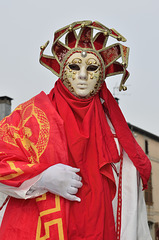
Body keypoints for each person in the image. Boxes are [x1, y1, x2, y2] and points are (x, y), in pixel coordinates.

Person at [0, 20, 152, 240]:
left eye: (91, 68)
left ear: (101, 75)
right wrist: (41, 178)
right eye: (74, 67)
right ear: (62, 70)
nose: (82, 76)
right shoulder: (30, 116)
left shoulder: (116, 134)